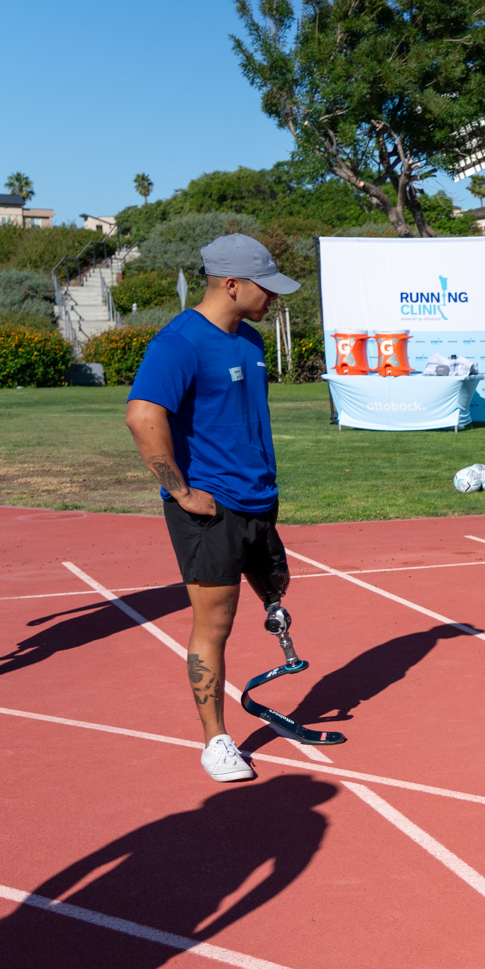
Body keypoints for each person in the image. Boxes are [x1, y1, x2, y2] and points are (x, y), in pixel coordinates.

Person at [123, 234, 302, 782]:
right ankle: (216, 740)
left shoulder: (248, 340)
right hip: (208, 506)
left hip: (257, 499)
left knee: (277, 587)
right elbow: (142, 416)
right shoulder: (179, 343)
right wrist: (180, 491)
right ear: (231, 285)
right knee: (214, 622)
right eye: (265, 289)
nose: (273, 298)